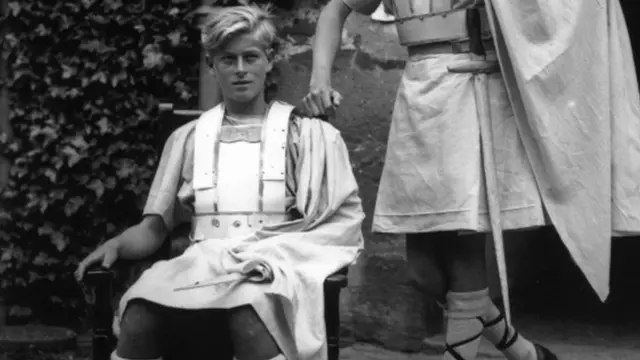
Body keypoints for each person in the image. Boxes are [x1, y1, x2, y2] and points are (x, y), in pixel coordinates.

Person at [303, 0, 640, 360]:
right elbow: (335, 9)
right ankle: (523, 351)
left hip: (472, 83)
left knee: (463, 248)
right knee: (423, 273)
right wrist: (319, 78)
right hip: (418, 93)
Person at [75, 4, 365, 360]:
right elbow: (155, 227)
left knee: (249, 312)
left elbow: (337, 228)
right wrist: (117, 245)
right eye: (228, 60)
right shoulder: (188, 138)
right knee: (139, 313)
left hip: (273, 267)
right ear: (212, 66)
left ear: (269, 59)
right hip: (203, 264)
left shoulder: (306, 137)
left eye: (251, 57)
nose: (240, 70)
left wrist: (272, 257)